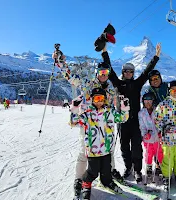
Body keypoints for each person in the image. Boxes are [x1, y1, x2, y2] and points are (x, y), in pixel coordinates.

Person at [52, 51, 124, 199]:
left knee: (108, 153)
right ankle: (79, 180)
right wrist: (60, 62)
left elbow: (114, 107)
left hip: (106, 126)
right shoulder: (88, 84)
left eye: (106, 72)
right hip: (89, 124)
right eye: (101, 72)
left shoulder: (111, 89)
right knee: (84, 153)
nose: (103, 74)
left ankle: (107, 178)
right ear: (97, 72)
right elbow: (71, 77)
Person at [101, 43, 161, 182]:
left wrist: (156, 57)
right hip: (122, 122)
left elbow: (146, 72)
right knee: (124, 147)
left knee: (136, 147)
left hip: (135, 122)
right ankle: (128, 168)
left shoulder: (137, 83)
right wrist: (104, 52)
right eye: (126, 71)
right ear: (123, 72)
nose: (128, 73)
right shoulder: (117, 83)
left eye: (131, 71)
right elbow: (108, 68)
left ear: (133, 73)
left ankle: (138, 170)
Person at [71, 88, 130, 200]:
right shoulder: (87, 114)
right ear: (92, 100)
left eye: (101, 98)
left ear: (105, 100)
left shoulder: (110, 112)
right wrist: (74, 108)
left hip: (107, 149)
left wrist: (124, 108)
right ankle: (85, 184)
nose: (99, 101)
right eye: (96, 98)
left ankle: (106, 181)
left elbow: (123, 118)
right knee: (92, 172)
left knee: (106, 170)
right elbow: (73, 122)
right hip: (93, 150)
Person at [147, 69, 176, 174]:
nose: (155, 81)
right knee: (159, 144)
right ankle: (159, 164)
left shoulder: (166, 86)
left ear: (160, 78)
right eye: (152, 79)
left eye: (157, 78)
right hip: (159, 118)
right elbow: (146, 102)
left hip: (174, 115)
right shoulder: (149, 91)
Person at [138, 92, 163, 179]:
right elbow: (142, 126)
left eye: (150, 100)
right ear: (143, 102)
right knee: (149, 153)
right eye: (146, 101)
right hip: (147, 138)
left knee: (159, 152)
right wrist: (144, 135)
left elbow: (161, 122)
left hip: (157, 138)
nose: (148, 103)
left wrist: (160, 132)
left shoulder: (157, 111)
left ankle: (160, 165)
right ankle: (149, 166)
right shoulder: (141, 113)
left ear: (153, 101)